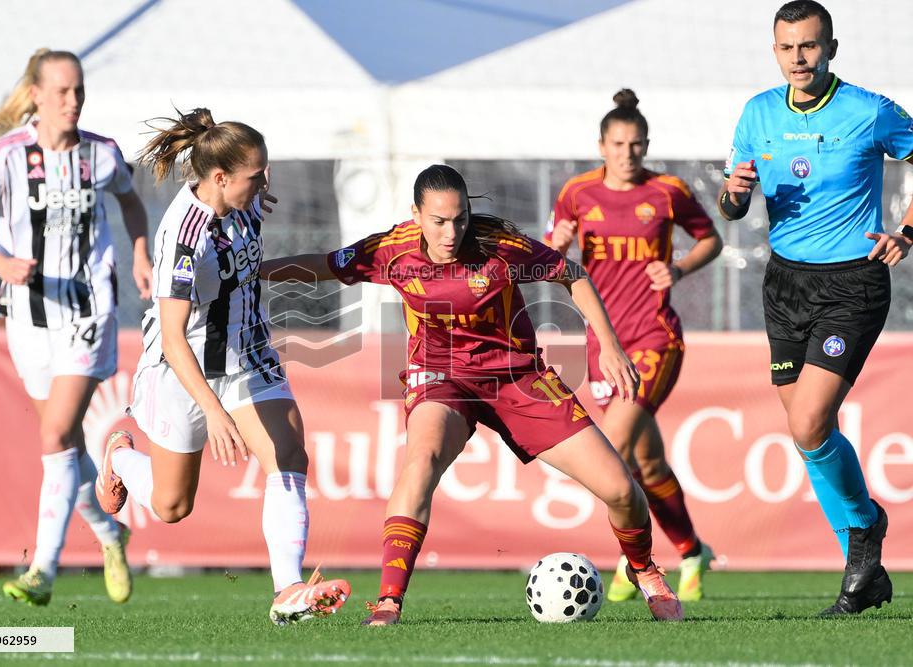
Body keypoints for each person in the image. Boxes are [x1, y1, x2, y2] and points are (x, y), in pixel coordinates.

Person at [261, 163, 685, 625]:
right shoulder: (392, 249)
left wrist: (609, 347)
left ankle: (645, 569)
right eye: (439, 221)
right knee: (420, 461)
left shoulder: (500, 248)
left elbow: (573, 274)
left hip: (517, 376)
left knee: (622, 492)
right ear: (416, 215)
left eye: (460, 218)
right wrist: (253, 274)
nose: (452, 231)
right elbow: (325, 265)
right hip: (440, 377)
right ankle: (388, 602)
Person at [94, 107, 350, 625]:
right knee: (171, 506)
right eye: (256, 177)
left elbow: (246, 254)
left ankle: (287, 591)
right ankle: (118, 455)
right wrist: (213, 411)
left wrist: (256, 195)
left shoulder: (242, 200)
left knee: (288, 451)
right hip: (183, 368)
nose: (264, 183)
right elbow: (172, 336)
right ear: (219, 178)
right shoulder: (185, 240)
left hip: (248, 351)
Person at [719, 0, 913, 615]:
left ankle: (862, 536)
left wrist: (906, 233)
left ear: (831, 47)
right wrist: (732, 194)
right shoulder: (758, 113)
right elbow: (732, 208)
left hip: (853, 283)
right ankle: (865, 568)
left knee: (805, 424)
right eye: (786, 47)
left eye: (808, 45)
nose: (798, 57)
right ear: (774, 50)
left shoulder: (871, 111)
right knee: (810, 433)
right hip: (785, 285)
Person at [0, 49, 150, 606]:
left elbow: (132, 204)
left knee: (54, 437)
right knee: (64, 446)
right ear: (36, 95)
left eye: (78, 90)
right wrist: (1, 265)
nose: (73, 101)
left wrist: (139, 255)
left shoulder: (101, 154)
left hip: (89, 311)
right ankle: (112, 533)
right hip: (28, 317)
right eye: (61, 91)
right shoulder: (8, 154)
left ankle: (42, 569)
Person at [544, 90, 723, 603]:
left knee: (615, 445)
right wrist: (555, 248)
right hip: (603, 343)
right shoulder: (577, 192)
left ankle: (633, 560)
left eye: (637, 144)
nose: (628, 153)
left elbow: (711, 238)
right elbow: (554, 249)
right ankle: (691, 550)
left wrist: (681, 267)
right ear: (601, 145)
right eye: (619, 143)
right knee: (646, 465)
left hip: (653, 337)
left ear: (646, 146)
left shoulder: (667, 191)